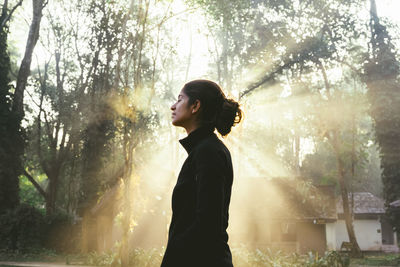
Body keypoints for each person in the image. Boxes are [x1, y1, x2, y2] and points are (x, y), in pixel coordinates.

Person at [161, 80, 242, 267]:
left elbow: (208, 224)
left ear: (195, 106)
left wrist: (176, 256)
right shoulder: (203, 150)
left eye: (180, 99)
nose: (173, 106)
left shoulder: (209, 152)